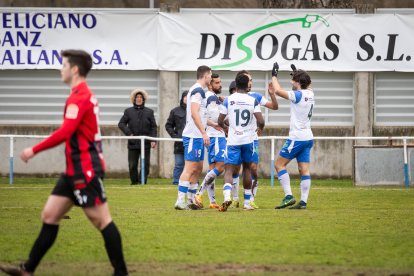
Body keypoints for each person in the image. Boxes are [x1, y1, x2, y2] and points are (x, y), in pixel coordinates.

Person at [0, 50, 128, 276]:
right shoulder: (81, 94)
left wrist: (33, 149)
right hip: (73, 170)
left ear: (75, 69)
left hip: (85, 169)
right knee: (50, 215)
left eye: (64, 64)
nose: (61, 68)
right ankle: (27, 269)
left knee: (102, 220)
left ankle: (121, 272)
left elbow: (66, 132)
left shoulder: (79, 96)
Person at [230, 70, 278, 209]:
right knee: (235, 169)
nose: (251, 82)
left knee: (253, 168)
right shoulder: (233, 97)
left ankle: (250, 198)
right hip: (237, 139)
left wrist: (272, 95)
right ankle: (235, 198)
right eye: (249, 79)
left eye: (251, 80)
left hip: (252, 140)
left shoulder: (256, 96)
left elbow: (274, 107)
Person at [217, 73, 265, 211]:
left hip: (233, 140)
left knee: (229, 169)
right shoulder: (252, 100)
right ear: (247, 86)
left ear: (236, 85)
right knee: (247, 169)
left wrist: (226, 128)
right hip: (248, 140)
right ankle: (247, 203)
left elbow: (220, 120)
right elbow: (261, 121)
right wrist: (259, 129)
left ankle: (227, 197)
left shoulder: (228, 100)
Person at [271, 62, 315, 210]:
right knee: (303, 169)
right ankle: (303, 202)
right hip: (308, 137)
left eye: (293, 80)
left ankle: (288, 196)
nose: (291, 83)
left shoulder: (298, 95)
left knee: (278, 164)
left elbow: (277, 91)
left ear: (299, 83)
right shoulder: (310, 93)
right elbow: (308, 84)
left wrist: (274, 75)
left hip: (297, 138)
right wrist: (297, 72)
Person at [174, 65, 212, 210]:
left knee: (197, 168)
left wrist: (214, 124)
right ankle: (180, 201)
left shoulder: (200, 91)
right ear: (205, 75)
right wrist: (203, 132)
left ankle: (191, 200)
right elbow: (194, 113)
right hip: (192, 135)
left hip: (197, 136)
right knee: (189, 168)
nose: (211, 78)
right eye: (210, 75)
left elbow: (200, 116)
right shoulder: (197, 91)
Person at [194, 73, 226, 209]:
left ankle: (212, 201)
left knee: (213, 169)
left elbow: (203, 117)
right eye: (217, 83)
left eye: (220, 82)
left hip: (212, 135)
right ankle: (198, 193)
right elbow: (218, 117)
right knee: (221, 166)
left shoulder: (210, 97)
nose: (220, 85)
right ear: (210, 84)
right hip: (216, 136)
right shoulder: (211, 97)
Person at [118, 89, 157, 185]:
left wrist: (153, 140)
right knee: (132, 165)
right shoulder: (128, 111)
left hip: (146, 143)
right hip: (133, 143)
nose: (139, 99)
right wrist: (129, 133)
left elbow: (153, 127)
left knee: (145, 165)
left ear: (143, 99)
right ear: (134, 99)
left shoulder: (149, 112)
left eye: (140, 97)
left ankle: (142, 182)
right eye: (137, 97)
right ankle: (134, 182)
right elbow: (121, 124)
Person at [165, 90, 188, 185]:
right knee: (179, 164)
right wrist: (174, 135)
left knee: (192, 165)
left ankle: (192, 182)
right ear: (182, 98)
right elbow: (168, 125)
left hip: (192, 142)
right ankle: (176, 182)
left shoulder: (196, 110)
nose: (187, 98)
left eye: (189, 96)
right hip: (179, 143)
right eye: (185, 96)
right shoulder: (175, 111)